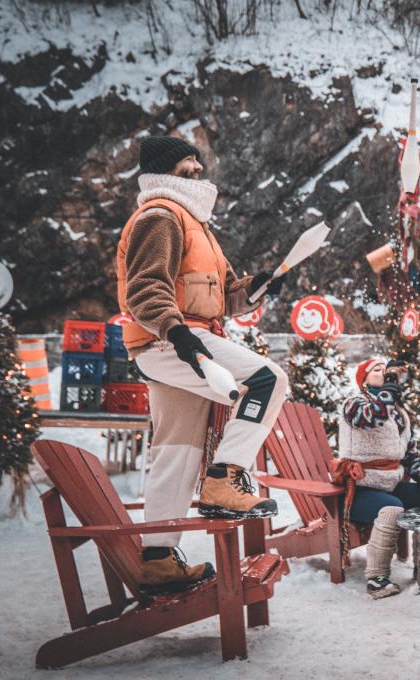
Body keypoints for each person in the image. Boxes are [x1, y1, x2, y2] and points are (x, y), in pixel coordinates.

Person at [117, 135, 290, 596]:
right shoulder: (160, 216)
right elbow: (144, 289)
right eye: (186, 164)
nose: (197, 169)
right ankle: (225, 477)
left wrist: (257, 287)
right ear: (163, 172)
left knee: (176, 451)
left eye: (197, 163)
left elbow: (226, 295)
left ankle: (158, 560)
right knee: (268, 380)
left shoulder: (196, 224)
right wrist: (179, 336)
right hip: (173, 340)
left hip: (178, 341)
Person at [335, 357, 420, 599]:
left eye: (386, 370)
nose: (384, 373)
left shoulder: (399, 414)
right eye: (377, 370)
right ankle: (376, 580)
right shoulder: (354, 404)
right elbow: (373, 417)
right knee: (392, 508)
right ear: (363, 381)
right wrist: (389, 387)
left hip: (390, 485)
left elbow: (410, 455)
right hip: (359, 491)